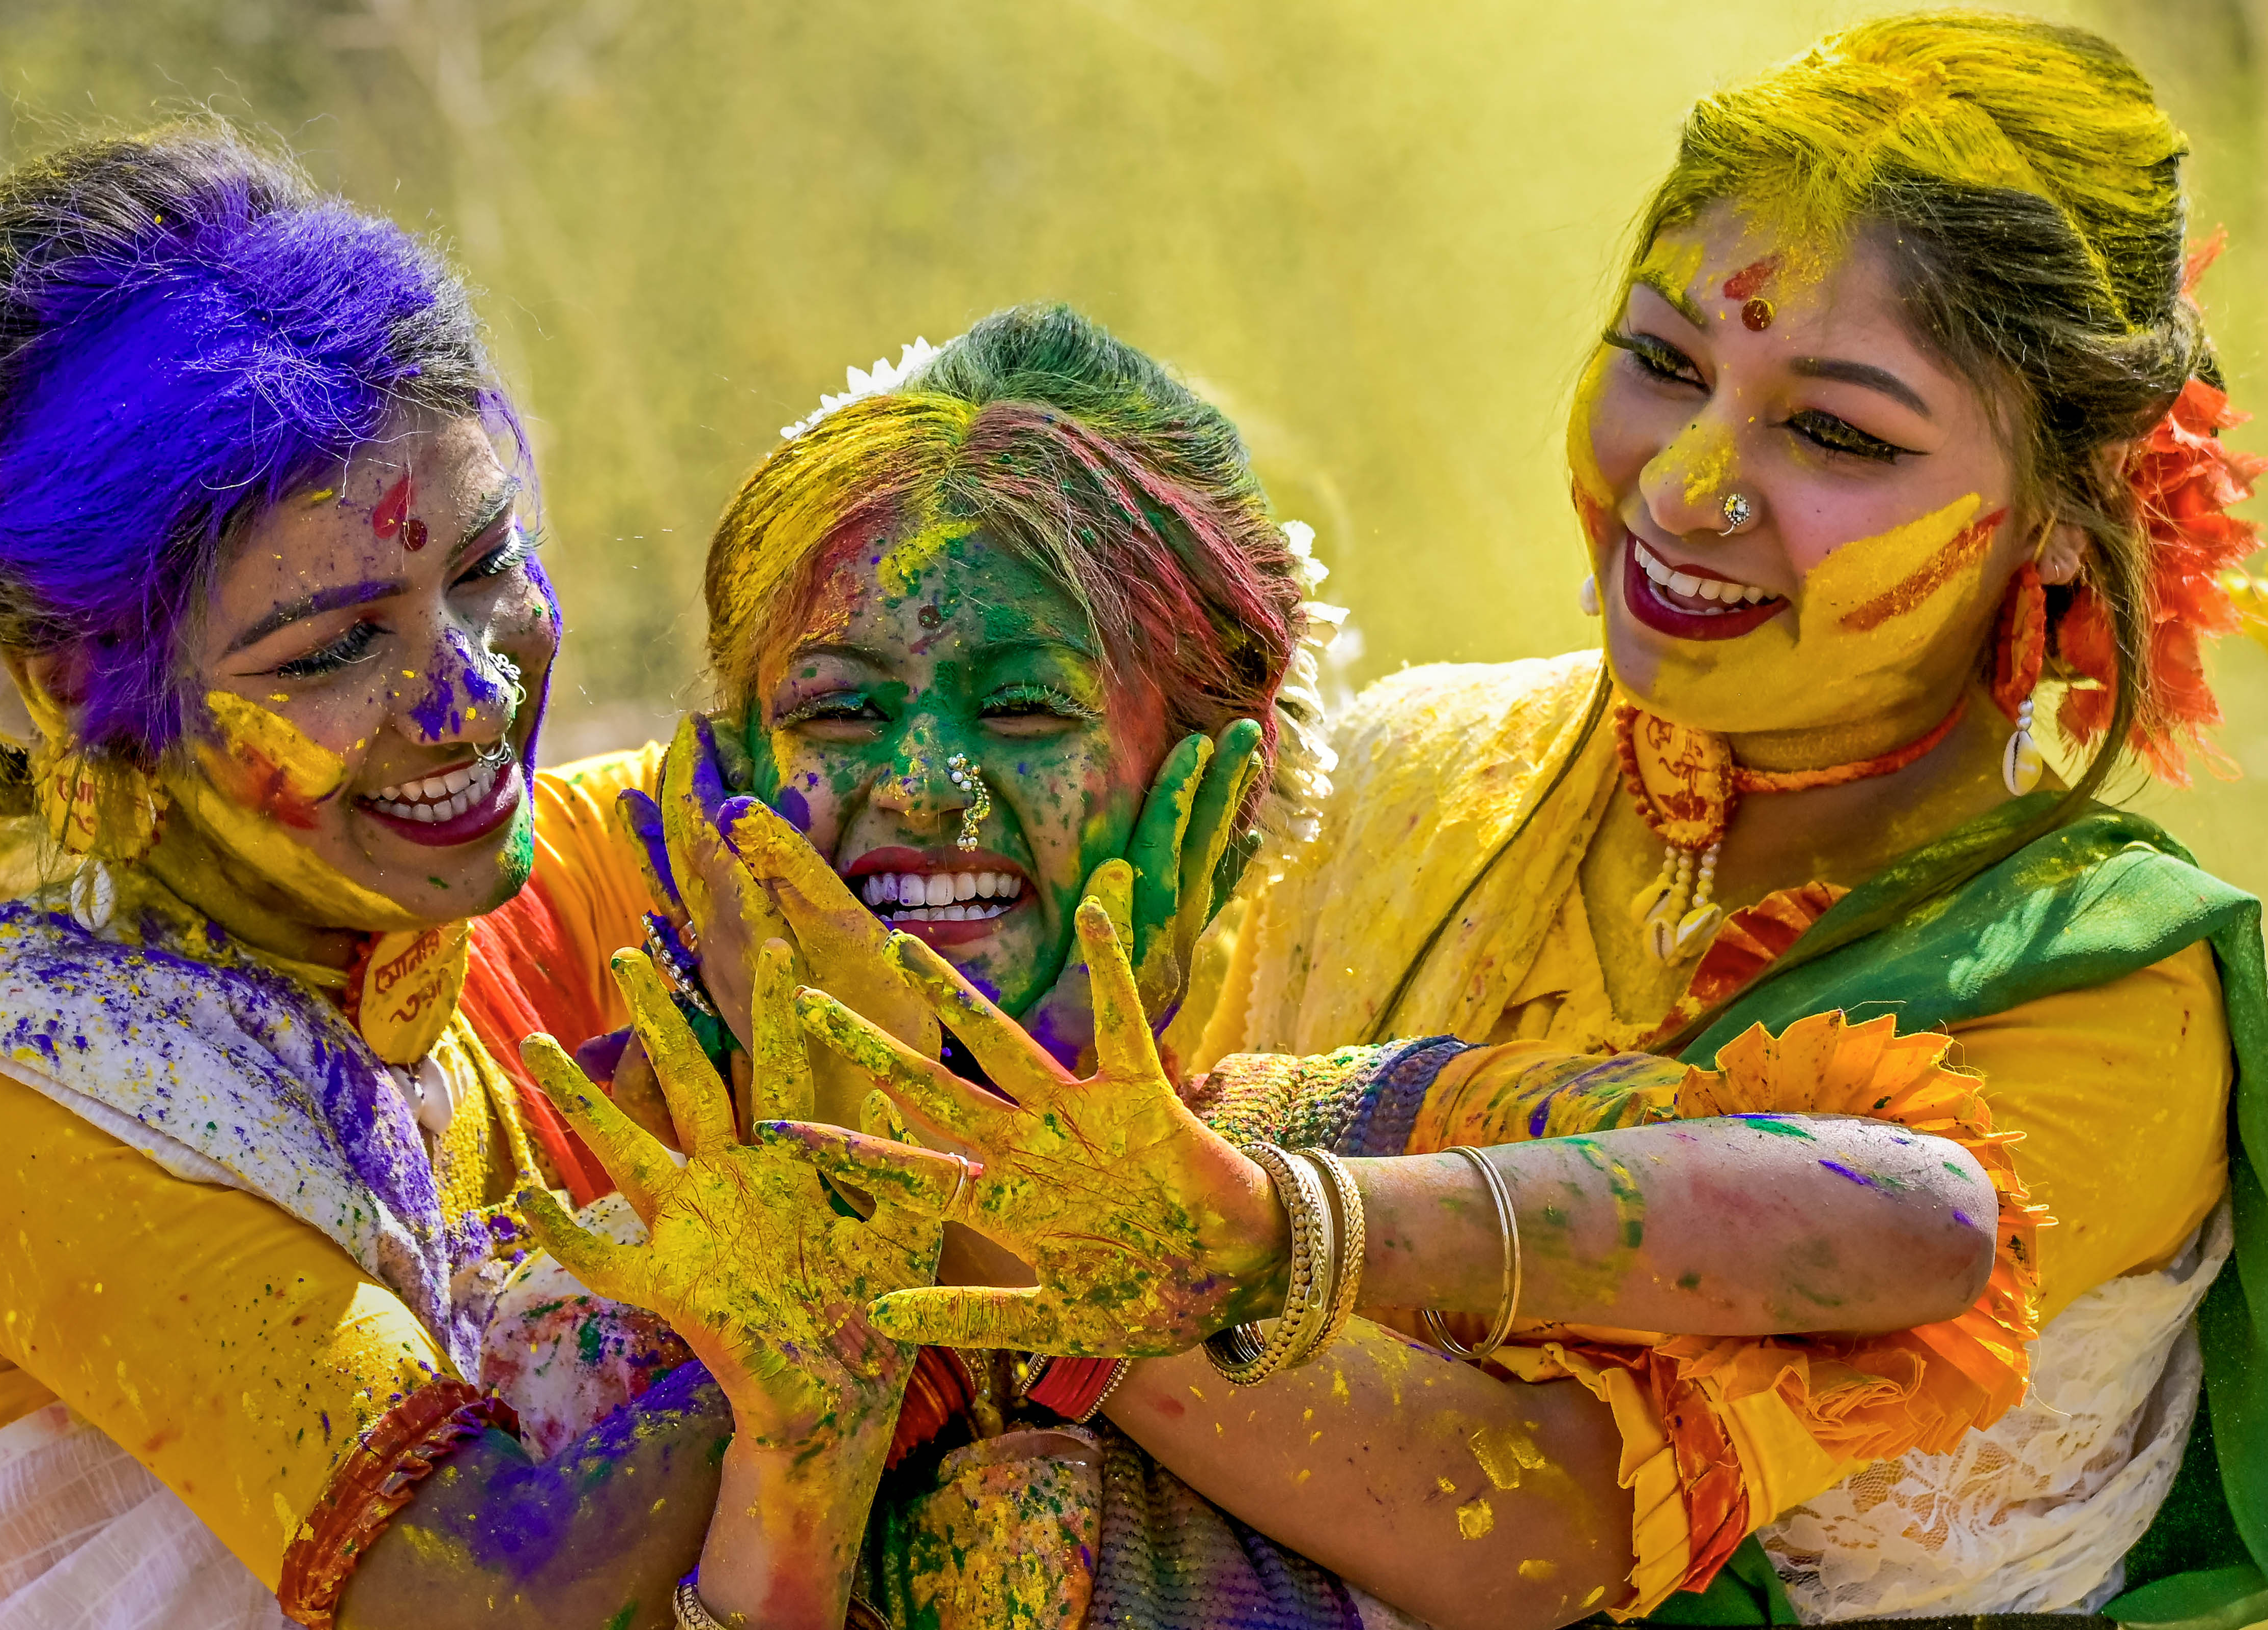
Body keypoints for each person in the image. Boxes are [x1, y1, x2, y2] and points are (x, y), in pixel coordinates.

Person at [780, 14, 2267, 1629]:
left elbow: (1536, 1516)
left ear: (2070, 511)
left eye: (1834, 430)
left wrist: (1057, 1225)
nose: (1689, 484)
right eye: (1663, 362)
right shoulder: (1424, 763)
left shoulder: (2107, 1003)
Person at [546, 302, 2022, 1630]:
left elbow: (1924, 1217)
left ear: (1217, 781)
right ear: (728, 775)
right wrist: (807, 1436)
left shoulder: (1316, 1144)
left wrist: (1260, 1233)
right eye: (843, 709)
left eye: (1025, 709)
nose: (926, 779)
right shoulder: (654, 1247)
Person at [0, 124, 945, 1630]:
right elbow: (494, 1589)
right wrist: (862, 1191)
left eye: (485, 563)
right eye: (336, 650)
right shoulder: (26, 1096)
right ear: (74, 684)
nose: (471, 696)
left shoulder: (391, 946)